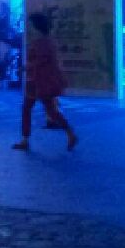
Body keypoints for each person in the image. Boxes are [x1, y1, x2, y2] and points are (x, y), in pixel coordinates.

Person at [12, 11, 78, 152]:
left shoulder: (42, 42)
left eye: (30, 24)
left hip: (40, 81)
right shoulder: (46, 41)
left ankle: (26, 139)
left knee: (38, 109)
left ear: (36, 26)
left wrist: (26, 67)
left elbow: (41, 61)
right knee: (43, 110)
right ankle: (69, 134)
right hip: (40, 81)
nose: (28, 27)